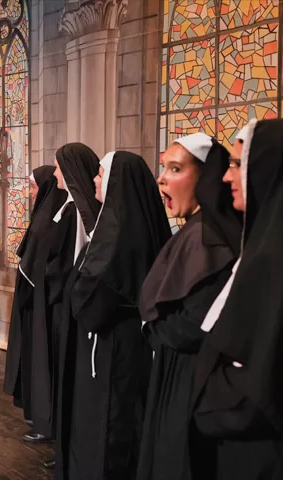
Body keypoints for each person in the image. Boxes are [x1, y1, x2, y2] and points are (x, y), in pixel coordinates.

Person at [136, 133, 241, 480]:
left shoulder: (209, 236)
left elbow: (196, 323)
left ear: (206, 177)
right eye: (163, 168)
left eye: (175, 169)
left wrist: (154, 326)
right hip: (176, 370)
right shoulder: (195, 228)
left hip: (191, 379)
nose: (162, 179)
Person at [61, 151, 171, 480]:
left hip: (112, 344)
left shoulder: (118, 232)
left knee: (109, 424)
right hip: (125, 341)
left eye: (100, 174)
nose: (94, 179)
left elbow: (92, 293)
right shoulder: (128, 224)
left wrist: (76, 293)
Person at [192, 119, 283, 479]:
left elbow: (262, 379)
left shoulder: (273, 256)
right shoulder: (260, 245)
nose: (226, 177)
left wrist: (208, 399)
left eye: (236, 164)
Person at [48, 143, 101, 473]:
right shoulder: (70, 206)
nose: (55, 173)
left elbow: (70, 261)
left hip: (71, 304)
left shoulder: (78, 211)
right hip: (66, 299)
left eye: (58, 167)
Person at [3, 166, 66, 441]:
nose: (29, 193)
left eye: (32, 186)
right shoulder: (45, 214)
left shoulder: (51, 219)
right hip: (34, 303)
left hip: (42, 306)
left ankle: (44, 421)